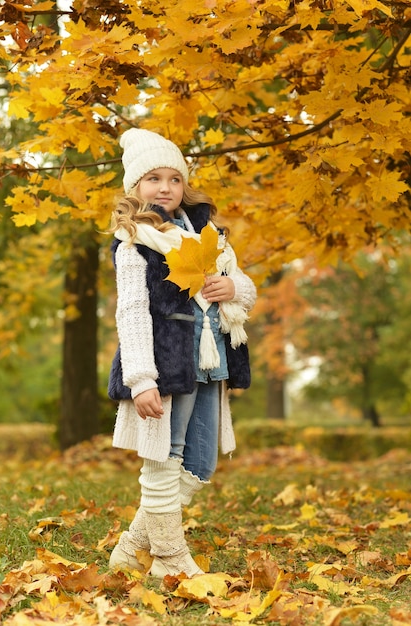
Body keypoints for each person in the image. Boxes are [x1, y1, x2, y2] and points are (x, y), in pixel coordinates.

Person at [107, 128, 257, 579]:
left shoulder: (206, 234)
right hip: (166, 363)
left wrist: (233, 287)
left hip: (209, 360)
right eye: (154, 178)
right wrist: (141, 380)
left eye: (174, 178)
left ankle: (134, 545)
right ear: (136, 186)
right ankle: (170, 559)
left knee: (201, 459)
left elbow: (244, 287)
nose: (166, 187)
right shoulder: (135, 240)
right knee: (165, 456)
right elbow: (131, 312)